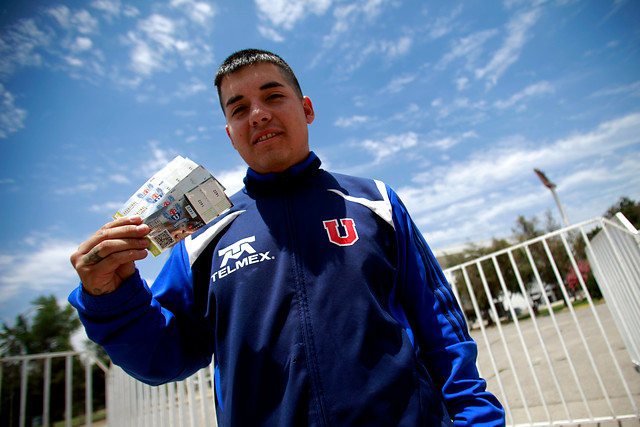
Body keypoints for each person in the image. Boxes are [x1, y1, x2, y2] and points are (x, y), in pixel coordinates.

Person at [69, 48, 505, 426]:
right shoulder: (202, 237)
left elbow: (440, 327)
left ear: (307, 108)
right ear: (230, 134)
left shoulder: (378, 203)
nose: (257, 113)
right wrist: (110, 296)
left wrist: (477, 419)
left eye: (273, 96)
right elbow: (164, 357)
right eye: (238, 108)